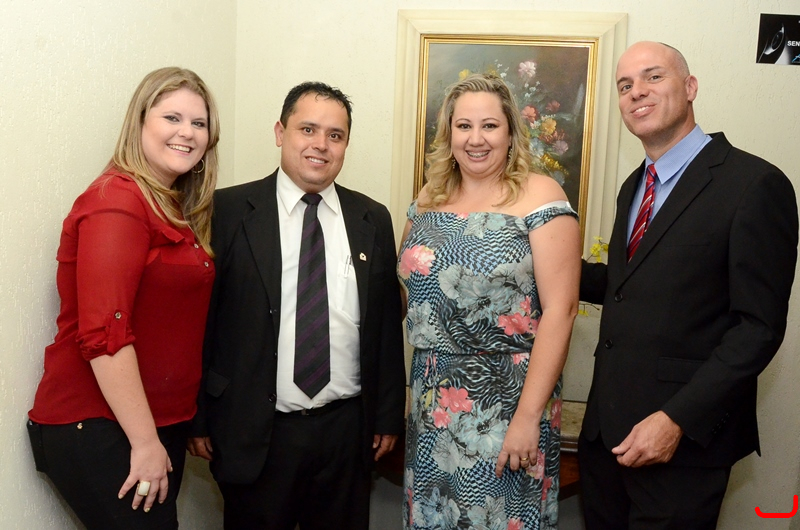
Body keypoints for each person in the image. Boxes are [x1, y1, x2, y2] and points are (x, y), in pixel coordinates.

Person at [579, 41, 799, 529]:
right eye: (625, 85)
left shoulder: (754, 184)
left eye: (653, 76)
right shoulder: (634, 185)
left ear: (691, 86)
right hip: (606, 438)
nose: (637, 91)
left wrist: (675, 419)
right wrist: (540, 265)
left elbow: (757, 329)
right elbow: (629, 285)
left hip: (681, 447)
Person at [187, 81, 406, 530]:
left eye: (335, 135)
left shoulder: (372, 218)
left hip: (346, 432)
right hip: (255, 429)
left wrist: (387, 415)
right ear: (279, 132)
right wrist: (198, 417)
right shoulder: (226, 211)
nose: (320, 145)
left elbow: (384, 325)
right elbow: (201, 323)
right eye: (308, 129)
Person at [27, 67, 220, 529]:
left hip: (149, 424)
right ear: (139, 123)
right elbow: (104, 335)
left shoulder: (169, 204)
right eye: (172, 117)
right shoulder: (117, 202)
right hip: (100, 424)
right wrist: (145, 442)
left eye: (199, 123)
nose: (187, 133)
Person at [398, 73, 581, 530]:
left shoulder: (541, 194)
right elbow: (405, 290)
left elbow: (561, 311)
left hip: (506, 404)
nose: (475, 138)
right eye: (464, 126)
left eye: (489, 126)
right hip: (429, 401)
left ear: (511, 133)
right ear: (449, 134)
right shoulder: (428, 199)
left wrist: (527, 418)